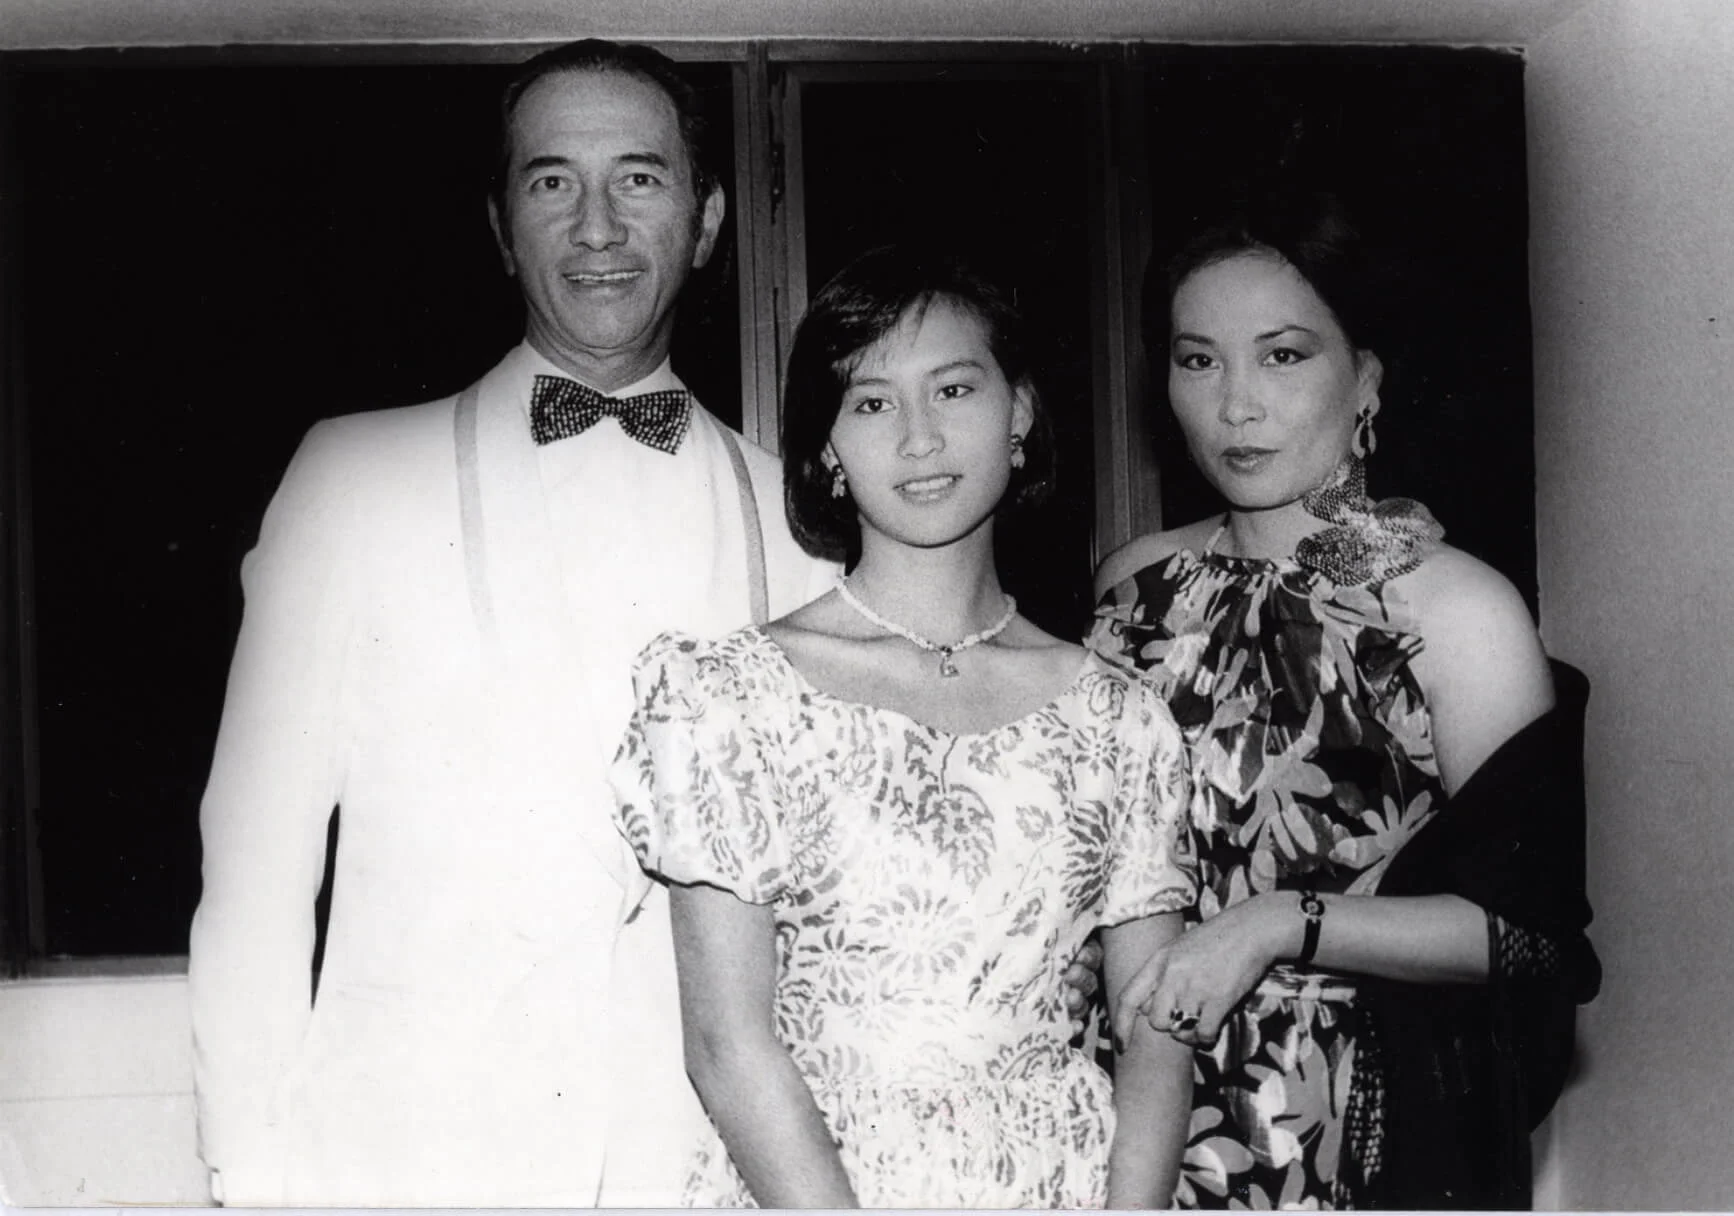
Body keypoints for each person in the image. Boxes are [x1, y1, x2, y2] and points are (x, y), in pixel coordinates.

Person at [184, 40, 840, 1206]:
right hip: (411, 1165)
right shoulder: (353, 478)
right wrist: (251, 1179)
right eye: (551, 181)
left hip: (697, 1172)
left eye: (639, 177)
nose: (597, 225)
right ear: (500, 226)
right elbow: (253, 869)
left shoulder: (802, 527)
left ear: (707, 220)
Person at [609, 246, 1196, 1207]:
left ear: (1019, 413)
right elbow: (726, 1044)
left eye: (954, 389)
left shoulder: (1121, 720)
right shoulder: (731, 699)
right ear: (826, 448)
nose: (920, 438)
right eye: (873, 403)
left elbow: (1155, 1035)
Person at [1091, 189, 1602, 1209]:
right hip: (1108, 1113)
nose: (1237, 404)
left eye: (1283, 356)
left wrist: (1278, 922)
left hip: (1331, 1137)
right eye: (1199, 360)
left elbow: (1533, 937)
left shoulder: (1456, 611)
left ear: (1365, 377)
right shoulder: (1132, 585)